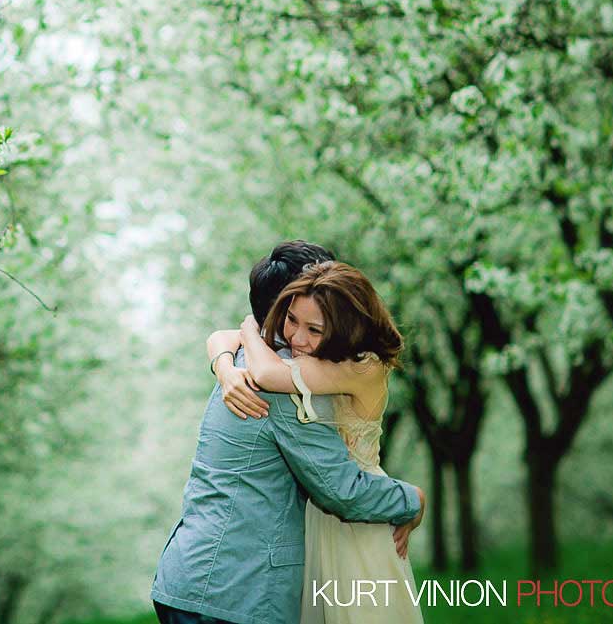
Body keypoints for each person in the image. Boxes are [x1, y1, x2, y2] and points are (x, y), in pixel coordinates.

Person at [151, 242, 425, 624]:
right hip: (234, 593)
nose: (300, 335)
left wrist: (230, 350)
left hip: (197, 577)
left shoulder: (250, 360)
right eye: (296, 316)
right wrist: (411, 499)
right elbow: (340, 490)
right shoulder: (283, 386)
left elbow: (226, 339)